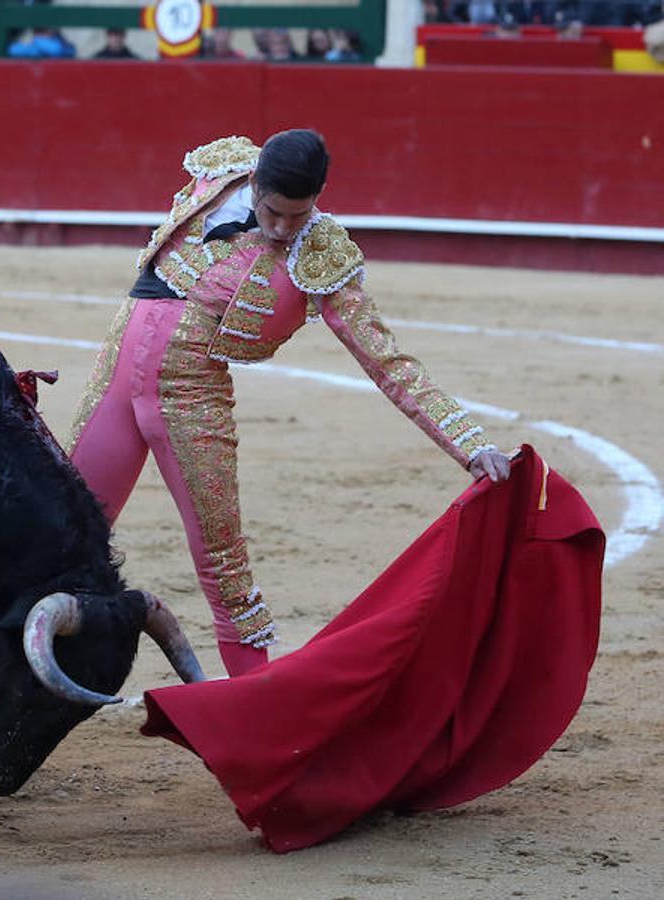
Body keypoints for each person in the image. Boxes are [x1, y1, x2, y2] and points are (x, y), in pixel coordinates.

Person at [65, 131, 511, 678]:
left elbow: (387, 361)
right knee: (64, 529)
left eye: (296, 218)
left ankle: (255, 703)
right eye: (273, 212)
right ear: (254, 181)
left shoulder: (320, 255)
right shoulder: (219, 174)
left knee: (222, 562)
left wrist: (470, 444)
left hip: (190, 398)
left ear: (319, 196)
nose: (280, 229)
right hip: (115, 372)